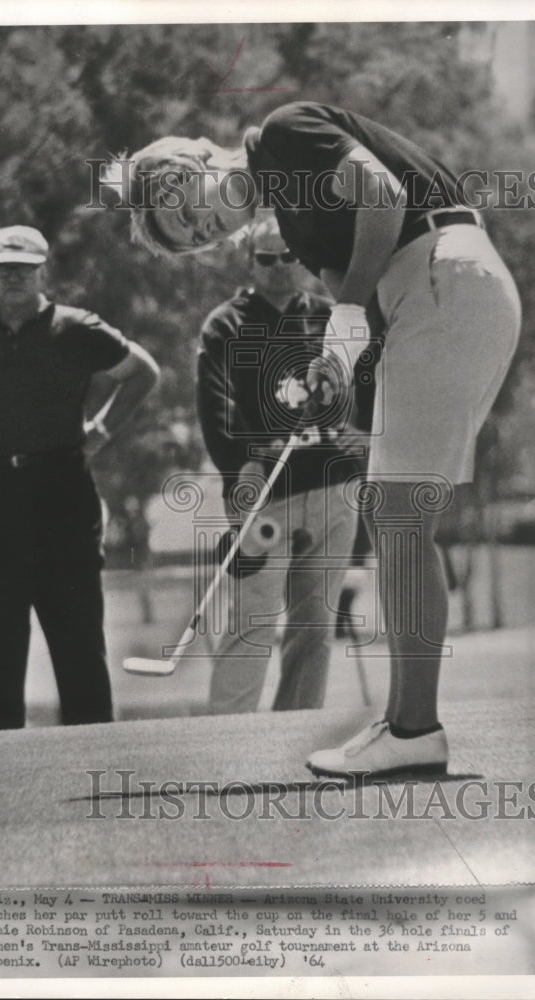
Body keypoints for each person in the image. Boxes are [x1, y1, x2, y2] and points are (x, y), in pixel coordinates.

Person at [112, 101, 521, 777]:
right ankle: (410, 725)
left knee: (398, 516)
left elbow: (382, 196)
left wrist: (352, 313)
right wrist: (333, 364)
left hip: (440, 273)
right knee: (398, 516)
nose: (203, 228)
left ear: (192, 165)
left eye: (188, 211)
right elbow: (347, 294)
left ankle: (414, 729)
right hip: (434, 291)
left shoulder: (282, 132)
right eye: (192, 239)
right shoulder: (293, 223)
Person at [0, 225, 160, 732]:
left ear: (42, 268)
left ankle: (93, 763)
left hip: (62, 489)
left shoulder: (77, 328)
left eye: (23, 266)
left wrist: (102, 432)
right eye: (2, 268)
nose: (13, 275)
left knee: (77, 639)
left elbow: (143, 371)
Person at [194, 217, 368, 714]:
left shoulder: (331, 315)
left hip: (333, 487)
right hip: (265, 494)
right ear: (249, 263)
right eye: (266, 258)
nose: (278, 267)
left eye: (288, 257)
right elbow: (216, 403)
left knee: (315, 627)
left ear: (301, 260)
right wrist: (240, 465)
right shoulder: (226, 323)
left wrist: (363, 425)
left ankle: (291, 738)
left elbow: (366, 383)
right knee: (253, 622)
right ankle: (230, 743)